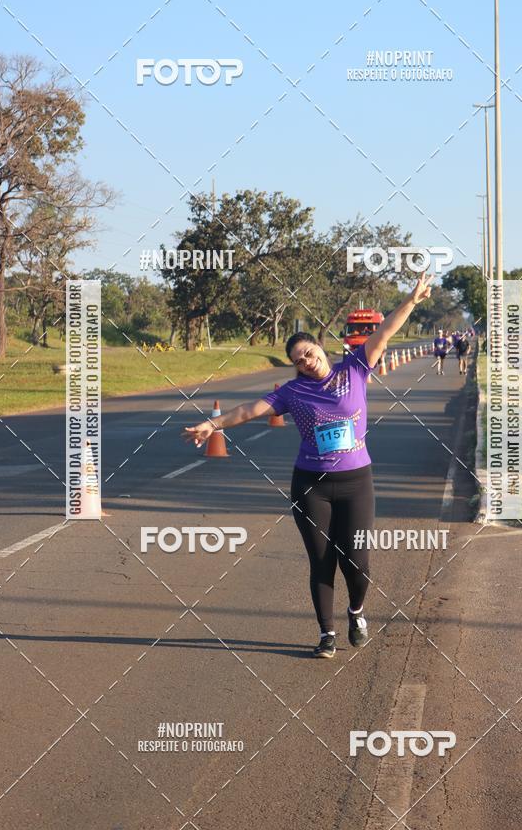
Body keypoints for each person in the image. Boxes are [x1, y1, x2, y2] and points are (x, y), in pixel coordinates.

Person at [183, 272, 434, 659]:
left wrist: (412, 300)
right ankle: (326, 634)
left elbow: (384, 332)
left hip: (356, 481)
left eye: (310, 353)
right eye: (299, 360)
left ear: (322, 349)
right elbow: (251, 410)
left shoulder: (354, 369)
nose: (307, 361)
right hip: (311, 485)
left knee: (357, 559)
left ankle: (356, 611)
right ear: (296, 366)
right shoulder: (292, 391)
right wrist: (212, 424)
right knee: (321, 560)